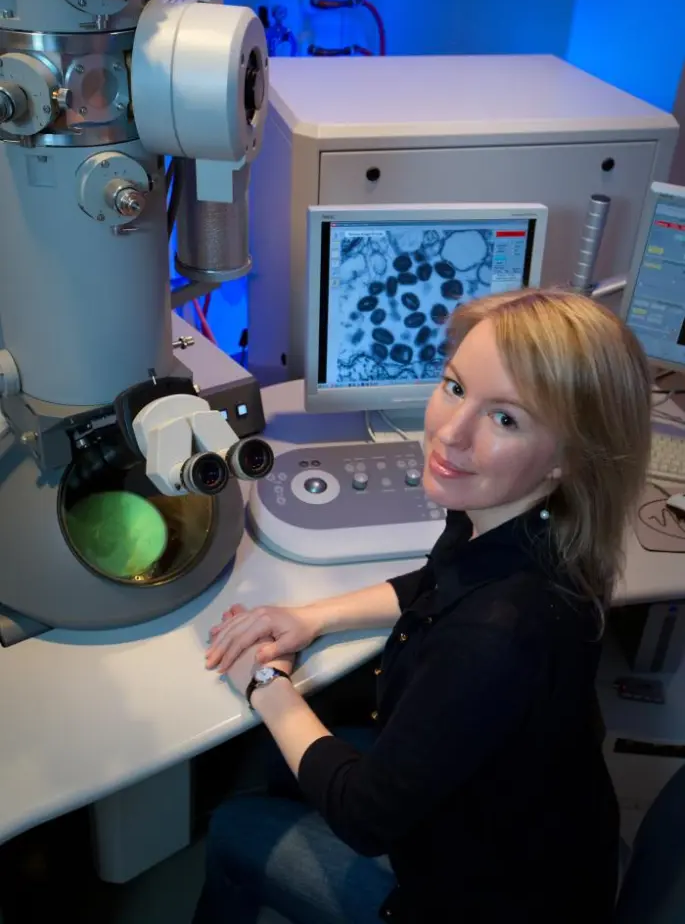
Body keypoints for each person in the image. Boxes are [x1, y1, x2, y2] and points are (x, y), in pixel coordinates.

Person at [195, 287, 652, 924]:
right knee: (276, 758)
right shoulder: (541, 527)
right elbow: (436, 581)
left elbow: (364, 817)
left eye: (506, 418)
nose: (449, 433)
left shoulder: (498, 636)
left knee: (235, 826)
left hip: (480, 898)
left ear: (567, 458)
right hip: (551, 834)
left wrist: (266, 683)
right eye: (456, 386)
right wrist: (312, 618)